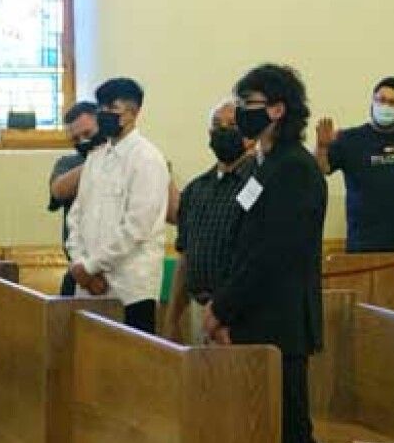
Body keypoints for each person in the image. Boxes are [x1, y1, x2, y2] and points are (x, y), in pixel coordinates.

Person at [201, 64, 326, 443]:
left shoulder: (295, 169)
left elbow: (274, 254)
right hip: (252, 317)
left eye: (248, 100)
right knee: (260, 437)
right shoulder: (263, 165)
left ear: (277, 108)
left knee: (289, 439)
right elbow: (241, 240)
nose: (240, 109)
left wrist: (223, 308)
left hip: (278, 324)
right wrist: (226, 306)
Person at [66, 77, 170, 333]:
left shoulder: (147, 159)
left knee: (132, 368)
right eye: (100, 110)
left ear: (133, 113)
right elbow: (76, 216)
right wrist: (80, 263)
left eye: (112, 110)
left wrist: (92, 266)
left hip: (130, 289)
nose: (104, 116)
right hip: (88, 287)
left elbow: (136, 227)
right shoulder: (96, 158)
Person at [315, 77, 394, 263]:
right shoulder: (349, 139)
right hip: (363, 246)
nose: (386, 106)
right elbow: (322, 169)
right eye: (381, 100)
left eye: (393, 102)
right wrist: (322, 147)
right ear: (372, 102)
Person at [163, 99, 254, 343]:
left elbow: (256, 257)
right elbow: (185, 256)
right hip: (198, 309)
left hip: (242, 314)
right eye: (217, 125)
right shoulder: (196, 190)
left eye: (232, 125)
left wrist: (225, 311)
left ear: (250, 135)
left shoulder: (260, 183)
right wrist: (171, 320)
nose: (223, 130)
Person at [48, 101, 102, 296]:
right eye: (75, 139)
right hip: (77, 267)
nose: (82, 142)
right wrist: (96, 161)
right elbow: (58, 190)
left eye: (87, 134)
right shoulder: (68, 163)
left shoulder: (126, 160)